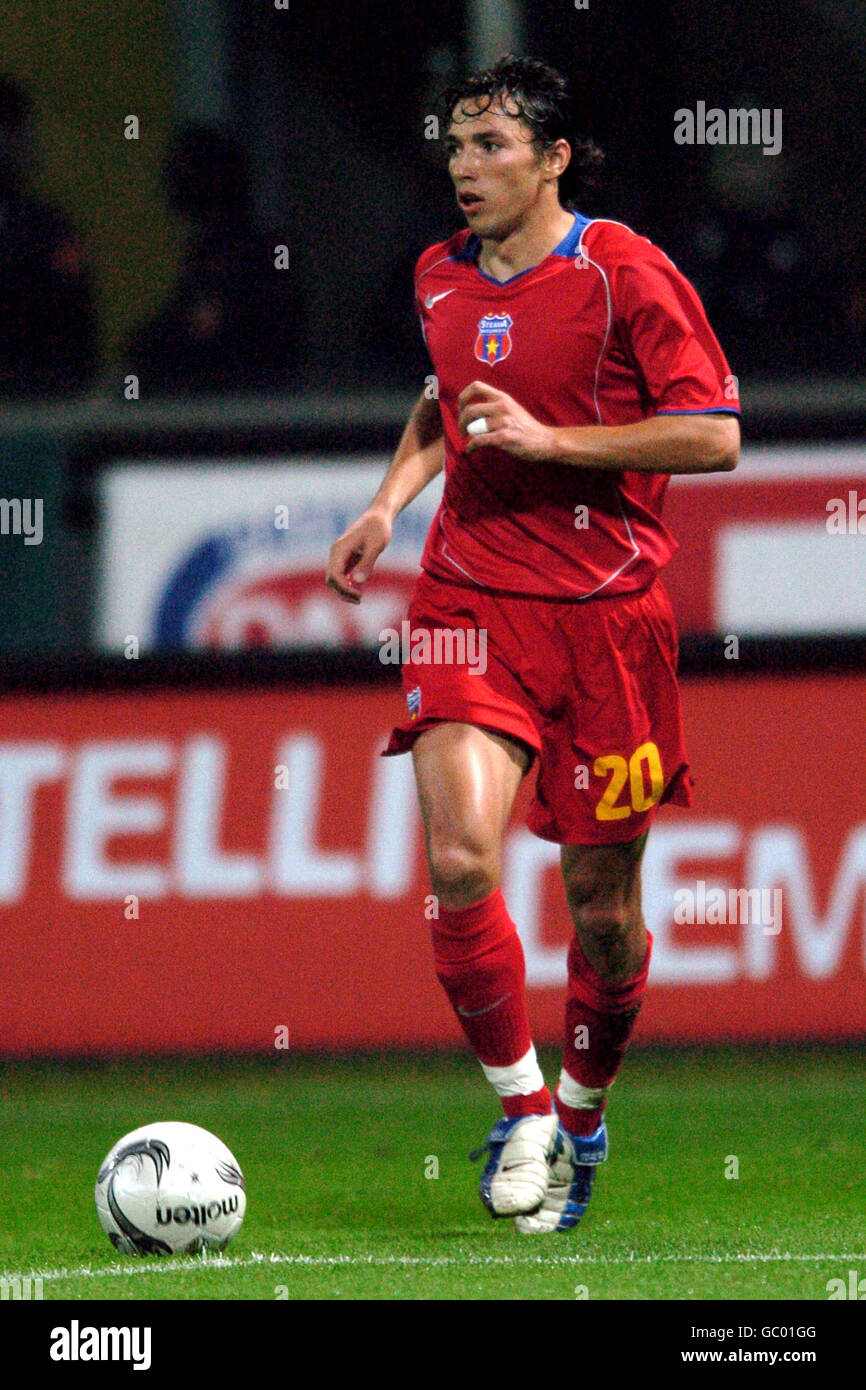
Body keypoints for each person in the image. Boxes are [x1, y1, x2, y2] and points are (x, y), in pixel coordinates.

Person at [326, 55, 740, 1233]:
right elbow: (440, 398)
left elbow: (711, 441)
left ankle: (582, 1106)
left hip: (610, 623)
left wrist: (554, 446)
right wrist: (386, 503)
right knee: (460, 860)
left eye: (492, 146)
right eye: (456, 145)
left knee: (602, 915)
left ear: (553, 158)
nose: (465, 167)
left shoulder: (623, 272)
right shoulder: (437, 275)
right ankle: (518, 1108)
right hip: (469, 600)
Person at [125, 125, 303, 395]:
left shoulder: (241, 254)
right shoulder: (214, 251)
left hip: (241, 414)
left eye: (186, 169)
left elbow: (200, 330)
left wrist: (145, 347)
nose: (171, 181)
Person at [0, 74, 97, 396]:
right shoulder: (43, 227)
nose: (29, 143)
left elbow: (73, 324)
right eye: (19, 130)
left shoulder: (45, 227)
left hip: (36, 404)